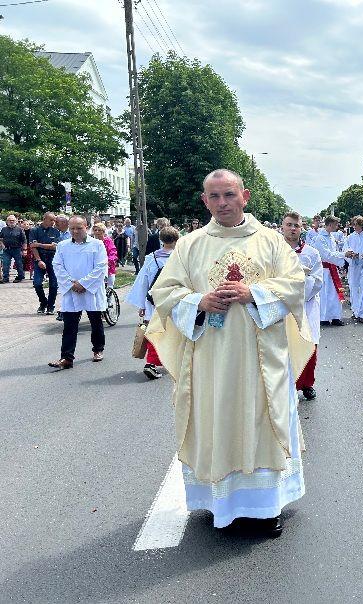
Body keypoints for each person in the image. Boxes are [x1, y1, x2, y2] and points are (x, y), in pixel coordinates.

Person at [146, 168, 314, 532]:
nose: (222, 203)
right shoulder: (191, 244)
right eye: (214, 196)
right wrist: (198, 301)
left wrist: (254, 293)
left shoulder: (270, 241)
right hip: (210, 358)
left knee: (261, 422)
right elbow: (165, 291)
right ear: (204, 200)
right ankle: (218, 501)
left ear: (245, 196)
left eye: (229, 195)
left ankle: (266, 508)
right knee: (215, 419)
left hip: (261, 358)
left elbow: (296, 284)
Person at [48, 216, 107, 369]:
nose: (75, 231)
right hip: (71, 290)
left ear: (86, 226)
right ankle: (67, 358)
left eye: (79, 228)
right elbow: (57, 266)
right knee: (69, 325)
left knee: (95, 321)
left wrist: (84, 283)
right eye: (72, 228)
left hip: (90, 289)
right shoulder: (62, 246)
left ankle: (98, 349)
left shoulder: (97, 244)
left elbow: (101, 267)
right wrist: (71, 283)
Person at [125, 226, 180, 379]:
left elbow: (143, 282)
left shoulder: (151, 258)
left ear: (161, 240)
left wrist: (142, 305)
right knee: (176, 332)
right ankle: (174, 361)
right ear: (177, 239)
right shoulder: (180, 257)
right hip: (175, 300)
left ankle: (151, 363)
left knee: (154, 332)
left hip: (153, 301)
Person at [281, 211, 323, 401]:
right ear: (282, 226)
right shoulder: (275, 251)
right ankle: (285, 385)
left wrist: (301, 282)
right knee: (284, 345)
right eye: (289, 225)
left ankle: (306, 384)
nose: (292, 229)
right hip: (282, 307)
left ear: (301, 228)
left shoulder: (311, 253)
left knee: (308, 343)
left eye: (296, 226)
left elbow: (318, 280)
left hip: (306, 306)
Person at [310, 215, 347, 326]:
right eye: (336, 224)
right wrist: (343, 256)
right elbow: (326, 255)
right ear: (330, 224)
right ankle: (323, 317)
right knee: (324, 294)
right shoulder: (319, 238)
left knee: (335, 293)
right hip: (324, 269)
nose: (337, 226)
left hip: (332, 269)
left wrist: (341, 260)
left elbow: (334, 252)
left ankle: (335, 316)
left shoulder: (331, 237)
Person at [29, 212, 62, 314]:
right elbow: (32, 247)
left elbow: (54, 246)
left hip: (52, 258)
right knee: (37, 283)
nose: (53, 222)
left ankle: (50, 306)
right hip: (40, 257)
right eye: (51, 220)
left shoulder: (56, 231)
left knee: (53, 284)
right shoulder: (34, 230)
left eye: (54, 220)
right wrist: (39, 260)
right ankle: (43, 303)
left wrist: (39, 244)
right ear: (44, 219)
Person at [1, 214, 27, 283]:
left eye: (13, 220)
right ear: (7, 221)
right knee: (5, 264)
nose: (11, 221)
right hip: (7, 250)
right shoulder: (4, 229)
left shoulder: (20, 229)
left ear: (16, 221)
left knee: (19, 264)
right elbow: (1, 238)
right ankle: (5, 278)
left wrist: (24, 250)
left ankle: (20, 277)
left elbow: (24, 240)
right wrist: (2, 245)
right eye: (10, 220)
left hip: (17, 249)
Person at [91, 223, 118, 289]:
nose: (97, 232)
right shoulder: (91, 242)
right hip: (94, 268)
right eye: (95, 230)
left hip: (108, 267)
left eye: (99, 230)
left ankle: (109, 298)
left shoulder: (108, 241)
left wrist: (108, 262)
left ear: (103, 231)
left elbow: (113, 252)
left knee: (109, 287)